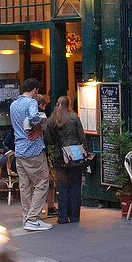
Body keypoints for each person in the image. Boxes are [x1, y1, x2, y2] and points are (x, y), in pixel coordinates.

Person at [9, 78, 51, 231]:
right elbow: (34, 116)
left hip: (19, 149)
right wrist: (39, 128)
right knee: (42, 182)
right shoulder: (32, 102)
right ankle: (33, 218)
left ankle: (27, 217)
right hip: (32, 148)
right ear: (35, 90)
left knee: (25, 185)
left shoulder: (14, 104)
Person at [43, 96, 91, 224]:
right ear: (68, 104)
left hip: (59, 156)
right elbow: (82, 136)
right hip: (75, 155)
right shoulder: (74, 117)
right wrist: (85, 151)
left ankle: (62, 217)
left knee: (62, 187)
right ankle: (74, 216)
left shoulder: (51, 120)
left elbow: (48, 140)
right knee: (75, 185)